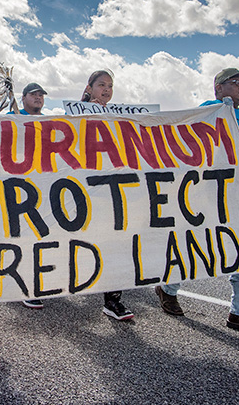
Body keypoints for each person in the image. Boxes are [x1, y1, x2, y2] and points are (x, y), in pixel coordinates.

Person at [154, 67, 239, 333]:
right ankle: (167, 288)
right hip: (210, 198)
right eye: (234, 82)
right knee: (194, 248)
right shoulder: (208, 111)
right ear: (218, 88)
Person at [78, 70, 135, 321]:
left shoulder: (119, 117)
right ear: (89, 88)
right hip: (82, 191)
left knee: (117, 244)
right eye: (101, 84)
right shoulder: (74, 114)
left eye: (110, 86)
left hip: (110, 192)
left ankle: (113, 302)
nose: (107, 89)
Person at [8, 83, 47, 309]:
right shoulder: (11, 116)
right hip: (14, 186)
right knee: (20, 235)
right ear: (22, 98)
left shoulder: (50, 123)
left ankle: (35, 282)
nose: (39, 98)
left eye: (41, 95)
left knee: (39, 234)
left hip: (42, 185)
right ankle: (24, 285)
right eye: (34, 94)